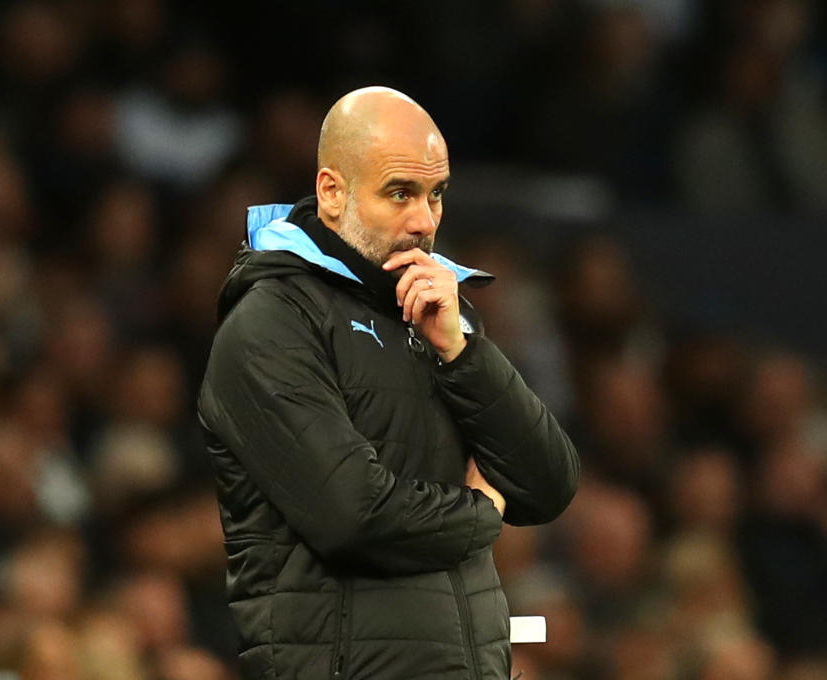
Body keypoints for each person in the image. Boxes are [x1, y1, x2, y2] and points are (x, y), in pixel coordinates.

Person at [197, 86, 580, 679]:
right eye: (400, 193)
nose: (424, 221)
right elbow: (352, 514)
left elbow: (550, 483)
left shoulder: (438, 313)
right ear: (332, 192)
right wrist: (480, 512)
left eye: (436, 195)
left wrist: (462, 351)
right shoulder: (271, 322)